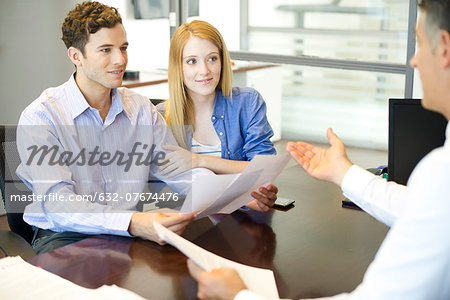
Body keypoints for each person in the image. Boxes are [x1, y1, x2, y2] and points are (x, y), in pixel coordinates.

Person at [186, 0, 450, 299]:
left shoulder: (441, 171)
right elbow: (417, 209)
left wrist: (238, 295)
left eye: (418, 43)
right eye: (191, 61)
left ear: (443, 47)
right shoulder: (441, 172)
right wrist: (343, 171)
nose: (413, 61)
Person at [15, 1, 198, 254]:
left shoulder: (142, 110)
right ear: (76, 56)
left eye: (123, 48)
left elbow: (179, 173)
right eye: (106, 50)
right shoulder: (41, 117)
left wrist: (237, 197)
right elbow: (59, 205)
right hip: (66, 237)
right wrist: (133, 223)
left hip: (128, 234)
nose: (120, 59)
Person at [158, 20, 278, 212]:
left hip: (241, 221)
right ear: (178, 67)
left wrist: (199, 161)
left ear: (222, 60)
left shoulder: (247, 102)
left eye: (212, 58)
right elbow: (161, 187)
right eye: (192, 61)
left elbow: (264, 168)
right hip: (189, 222)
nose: (204, 70)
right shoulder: (160, 117)